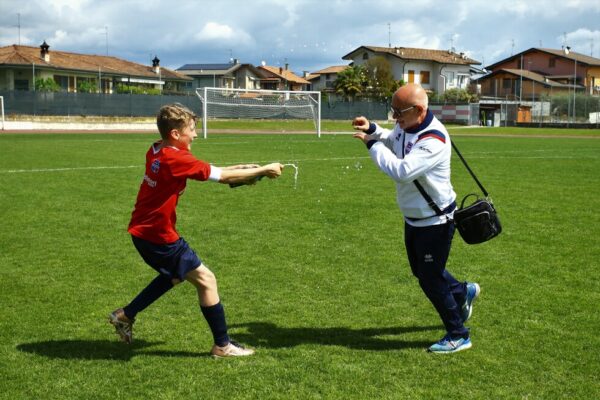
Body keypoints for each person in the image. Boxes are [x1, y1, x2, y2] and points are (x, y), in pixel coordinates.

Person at [109, 103, 283, 358]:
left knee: (175, 276)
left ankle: (125, 315)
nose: (196, 134)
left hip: (145, 232)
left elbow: (209, 169)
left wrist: (244, 169)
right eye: (191, 129)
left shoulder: (158, 149)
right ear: (175, 135)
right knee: (207, 280)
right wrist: (264, 169)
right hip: (158, 236)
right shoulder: (174, 158)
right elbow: (220, 177)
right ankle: (222, 346)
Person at [352, 84, 480, 354]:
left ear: (420, 110)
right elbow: (395, 139)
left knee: (430, 279)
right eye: (393, 110)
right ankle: (461, 291)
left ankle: (459, 333)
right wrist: (374, 130)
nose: (395, 117)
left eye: (399, 112)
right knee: (422, 272)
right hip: (414, 218)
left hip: (436, 221)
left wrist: (372, 145)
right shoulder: (408, 125)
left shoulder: (434, 140)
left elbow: (401, 170)